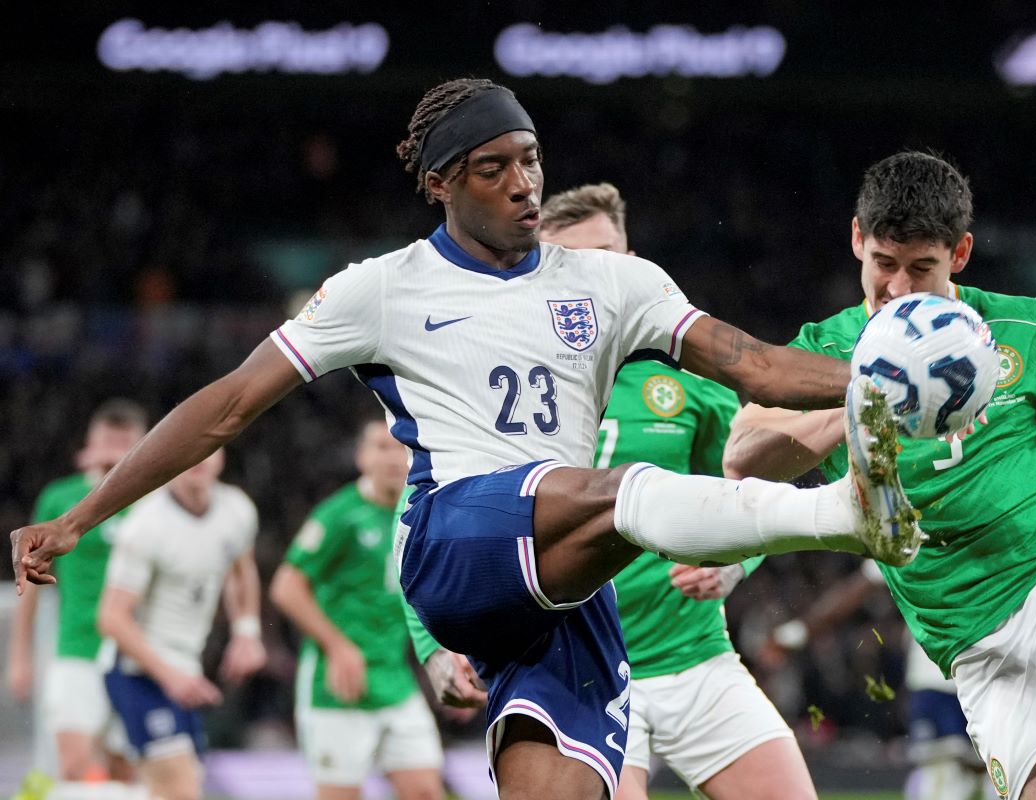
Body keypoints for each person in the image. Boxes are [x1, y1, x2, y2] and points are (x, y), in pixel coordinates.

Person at [12, 78, 921, 800]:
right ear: (441, 183)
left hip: (558, 600)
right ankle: (843, 517)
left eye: (531, 160)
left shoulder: (612, 283)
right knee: (616, 489)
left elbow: (755, 365)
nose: (524, 183)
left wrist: (888, 380)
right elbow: (227, 407)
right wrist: (86, 514)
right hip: (457, 542)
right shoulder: (380, 289)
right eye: (495, 167)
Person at [723, 150, 1036, 800]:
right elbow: (742, 454)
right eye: (883, 265)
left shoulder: (1022, 328)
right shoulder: (825, 350)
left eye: (922, 268)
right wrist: (874, 390)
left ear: (961, 252)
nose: (897, 288)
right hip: (986, 640)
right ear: (858, 240)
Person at [539, 182, 815, 800]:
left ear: (633, 260)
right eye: (578, 260)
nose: (603, 270)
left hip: (695, 658)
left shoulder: (686, 380)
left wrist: (735, 566)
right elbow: (425, 504)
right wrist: (436, 649)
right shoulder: (526, 385)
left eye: (612, 252)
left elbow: (751, 483)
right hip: (581, 668)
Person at [270, 420, 444, 800]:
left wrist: (445, 659)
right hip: (337, 686)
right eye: (381, 447)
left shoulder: (420, 516)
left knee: (427, 792)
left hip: (395, 681)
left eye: (400, 447)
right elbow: (286, 586)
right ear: (361, 457)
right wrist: (337, 646)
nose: (393, 457)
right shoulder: (341, 514)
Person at [97, 450, 264, 800]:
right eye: (189, 447)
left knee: (159, 785)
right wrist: (169, 674)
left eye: (208, 446)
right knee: (180, 789)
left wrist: (247, 631)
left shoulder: (237, 510)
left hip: (186, 671)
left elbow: (240, 568)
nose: (197, 457)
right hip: (139, 672)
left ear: (223, 452)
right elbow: (112, 617)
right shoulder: (146, 524)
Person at [759, 561, 989, 800]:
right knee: (967, 778)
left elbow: (859, 586)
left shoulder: (916, 532)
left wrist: (797, 632)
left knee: (952, 781)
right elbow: (860, 586)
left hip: (954, 677)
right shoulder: (932, 533)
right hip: (974, 676)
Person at [5, 399, 147, 784]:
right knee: (74, 766)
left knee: (125, 769)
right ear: (88, 446)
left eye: (125, 442)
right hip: (76, 647)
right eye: (108, 440)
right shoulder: (59, 499)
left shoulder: (154, 501)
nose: (115, 450)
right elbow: (30, 584)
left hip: (136, 654)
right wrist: (20, 657)